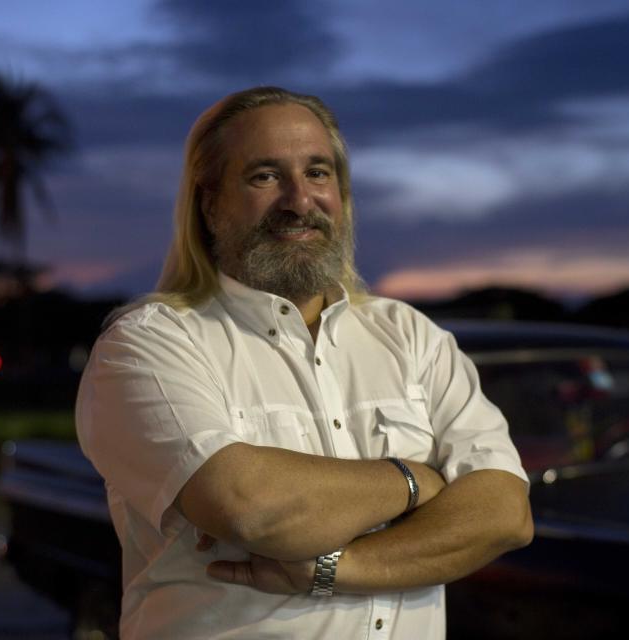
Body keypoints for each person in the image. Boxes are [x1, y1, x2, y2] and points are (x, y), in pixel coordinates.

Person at [75, 86, 533, 639]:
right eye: (264, 176)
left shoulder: (411, 338)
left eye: (318, 173)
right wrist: (417, 480)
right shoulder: (149, 344)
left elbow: (505, 514)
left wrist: (328, 570)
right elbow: (252, 508)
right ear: (209, 201)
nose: (299, 200)